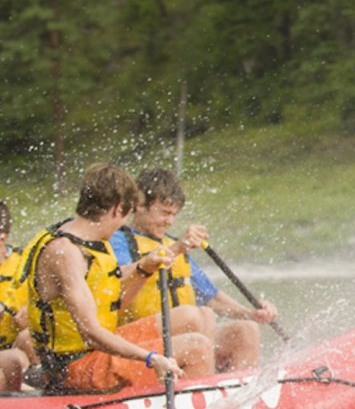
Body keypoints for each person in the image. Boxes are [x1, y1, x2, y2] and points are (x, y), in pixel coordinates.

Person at [20, 163, 213, 393]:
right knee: (196, 347)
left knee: (191, 317)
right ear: (117, 209)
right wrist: (150, 357)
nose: (124, 223)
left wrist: (144, 269)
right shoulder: (65, 253)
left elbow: (114, 302)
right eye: (126, 214)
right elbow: (91, 334)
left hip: (96, 350)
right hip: (74, 366)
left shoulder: (92, 239)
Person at [111, 168, 271, 373]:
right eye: (164, 212)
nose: (169, 221)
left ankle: (239, 395)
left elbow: (212, 298)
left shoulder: (174, 244)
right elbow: (121, 279)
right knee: (195, 315)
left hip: (184, 336)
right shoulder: (118, 239)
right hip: (137, 341)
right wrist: (177, 248)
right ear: (139, 205)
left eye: (174, 215)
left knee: (246, 329)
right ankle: (203, 386)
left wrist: (251, 313)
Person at [0, 200, 36, 391]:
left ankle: (47, 398)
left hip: (16, 348)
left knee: (28, 337)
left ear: (2, 238)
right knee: (15, 360)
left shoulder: (25, 263)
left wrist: (31, 316)